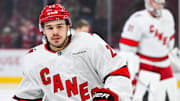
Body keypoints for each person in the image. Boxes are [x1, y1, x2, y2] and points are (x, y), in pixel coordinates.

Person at [13, 3, 132, 101]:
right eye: (50, 27)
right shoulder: (34, 58)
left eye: (59, 26)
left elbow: (117, 71)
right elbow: (26, 97)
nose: (55, 32)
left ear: (68, 26)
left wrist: (110, 94)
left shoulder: (90, 43)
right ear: (42, 30)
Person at [119, 0, 177, 101]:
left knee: (172, 96)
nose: (158, 6)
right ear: (148, 3)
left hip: (164, 65)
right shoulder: (137, 19)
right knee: (138, 96)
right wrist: (132, 66)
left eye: (160, 3)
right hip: (144, 65)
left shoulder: (168, 16)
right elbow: (126, 48)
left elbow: (170, 42)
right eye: (155, 3)